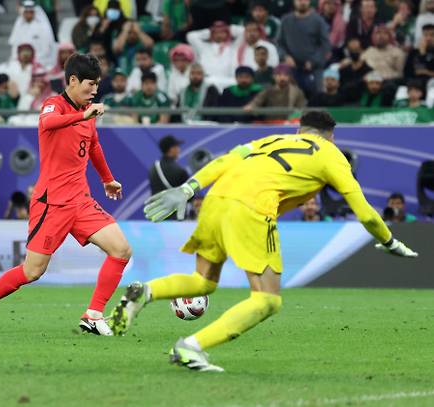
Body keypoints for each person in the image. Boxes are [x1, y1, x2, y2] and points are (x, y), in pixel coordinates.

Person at [108, 110, 417, 372]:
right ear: (330, 135)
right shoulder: (331, 155)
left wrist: (189, 188)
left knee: (202, 281)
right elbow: (366, 214)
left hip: (216, 200)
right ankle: (190, 347)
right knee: (267, 299)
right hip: (252, 208)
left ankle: (145, 291)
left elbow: (226, 160)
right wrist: (390, 242)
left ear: (300, 130)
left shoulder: (270, 140)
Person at [0, 53, 132, 337]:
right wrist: (82, 115)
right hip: (51, 203)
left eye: (97, 85)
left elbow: (93, 147)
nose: (94, 91)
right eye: (90, 84)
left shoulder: (88, 112)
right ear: (72, 81)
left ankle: (93, 314)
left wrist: (107, 179)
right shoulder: (53, 105)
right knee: (32, 271)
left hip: (81, 200)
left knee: (121, 250)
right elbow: (48, 124)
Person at [277, 0, 331, 98]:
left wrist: (313, 61)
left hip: (314, 70)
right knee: (291, 100)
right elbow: (279, 43)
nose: (302, 2)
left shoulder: (318, 21)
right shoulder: (286, 20)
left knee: (317, 101)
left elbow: (325, 45)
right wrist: (285, 56)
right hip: (292, 69)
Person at [187, 21, 237, 91]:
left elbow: (242, 33)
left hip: (227, 81)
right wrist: (209, 31)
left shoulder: (234, 46)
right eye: (216, 33)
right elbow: (191, 36)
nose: (219, 35)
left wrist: (229, 29)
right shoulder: (204, 47)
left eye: (222, 32)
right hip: (208, 81)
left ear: (227, 33)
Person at [8, 0, 55, 69]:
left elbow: (46, 49)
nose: (28, 14)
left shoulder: (42, 27)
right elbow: (14, 47)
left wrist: (33, 61)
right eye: (26, 12)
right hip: (20, 62)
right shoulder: (19, 26)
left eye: (30, 12)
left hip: (40, 60)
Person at [148, 135, 190, 203]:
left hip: (155, 210)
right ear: (171, 149)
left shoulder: (153, 168)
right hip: (174, 211)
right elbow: (189, 196)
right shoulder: (179, 170)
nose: (179, 150)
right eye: (177, 147)